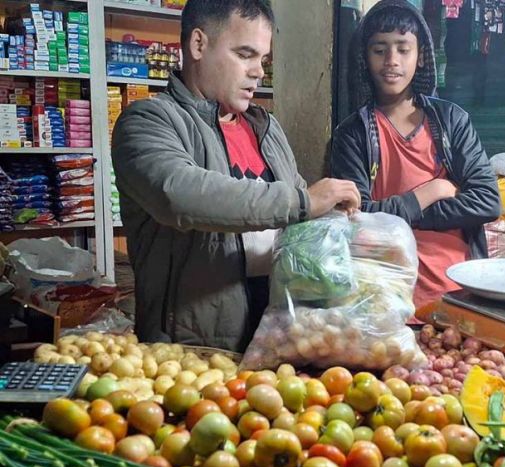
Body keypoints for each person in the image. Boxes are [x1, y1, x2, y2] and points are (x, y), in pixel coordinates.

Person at [112, 0, 360, 352]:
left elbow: (301, 221)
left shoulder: (266, 127)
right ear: (199, 45)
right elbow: (178, 195)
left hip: (280, 338)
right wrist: (306, 201)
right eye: (245, 55)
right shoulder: (149, 121)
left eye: (262, 59)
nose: (258, 71)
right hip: (192, 349)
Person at [331, 0, 500, 311]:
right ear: (365, 58)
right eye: (379, 50)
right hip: (382, 299)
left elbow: (487, 201)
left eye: (403, 49)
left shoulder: (452, 121)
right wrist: (430, 192)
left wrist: (406, 215)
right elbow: (359, 216)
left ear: (421, 55)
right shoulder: (351, 134)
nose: (391, 60)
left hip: (454, 296)